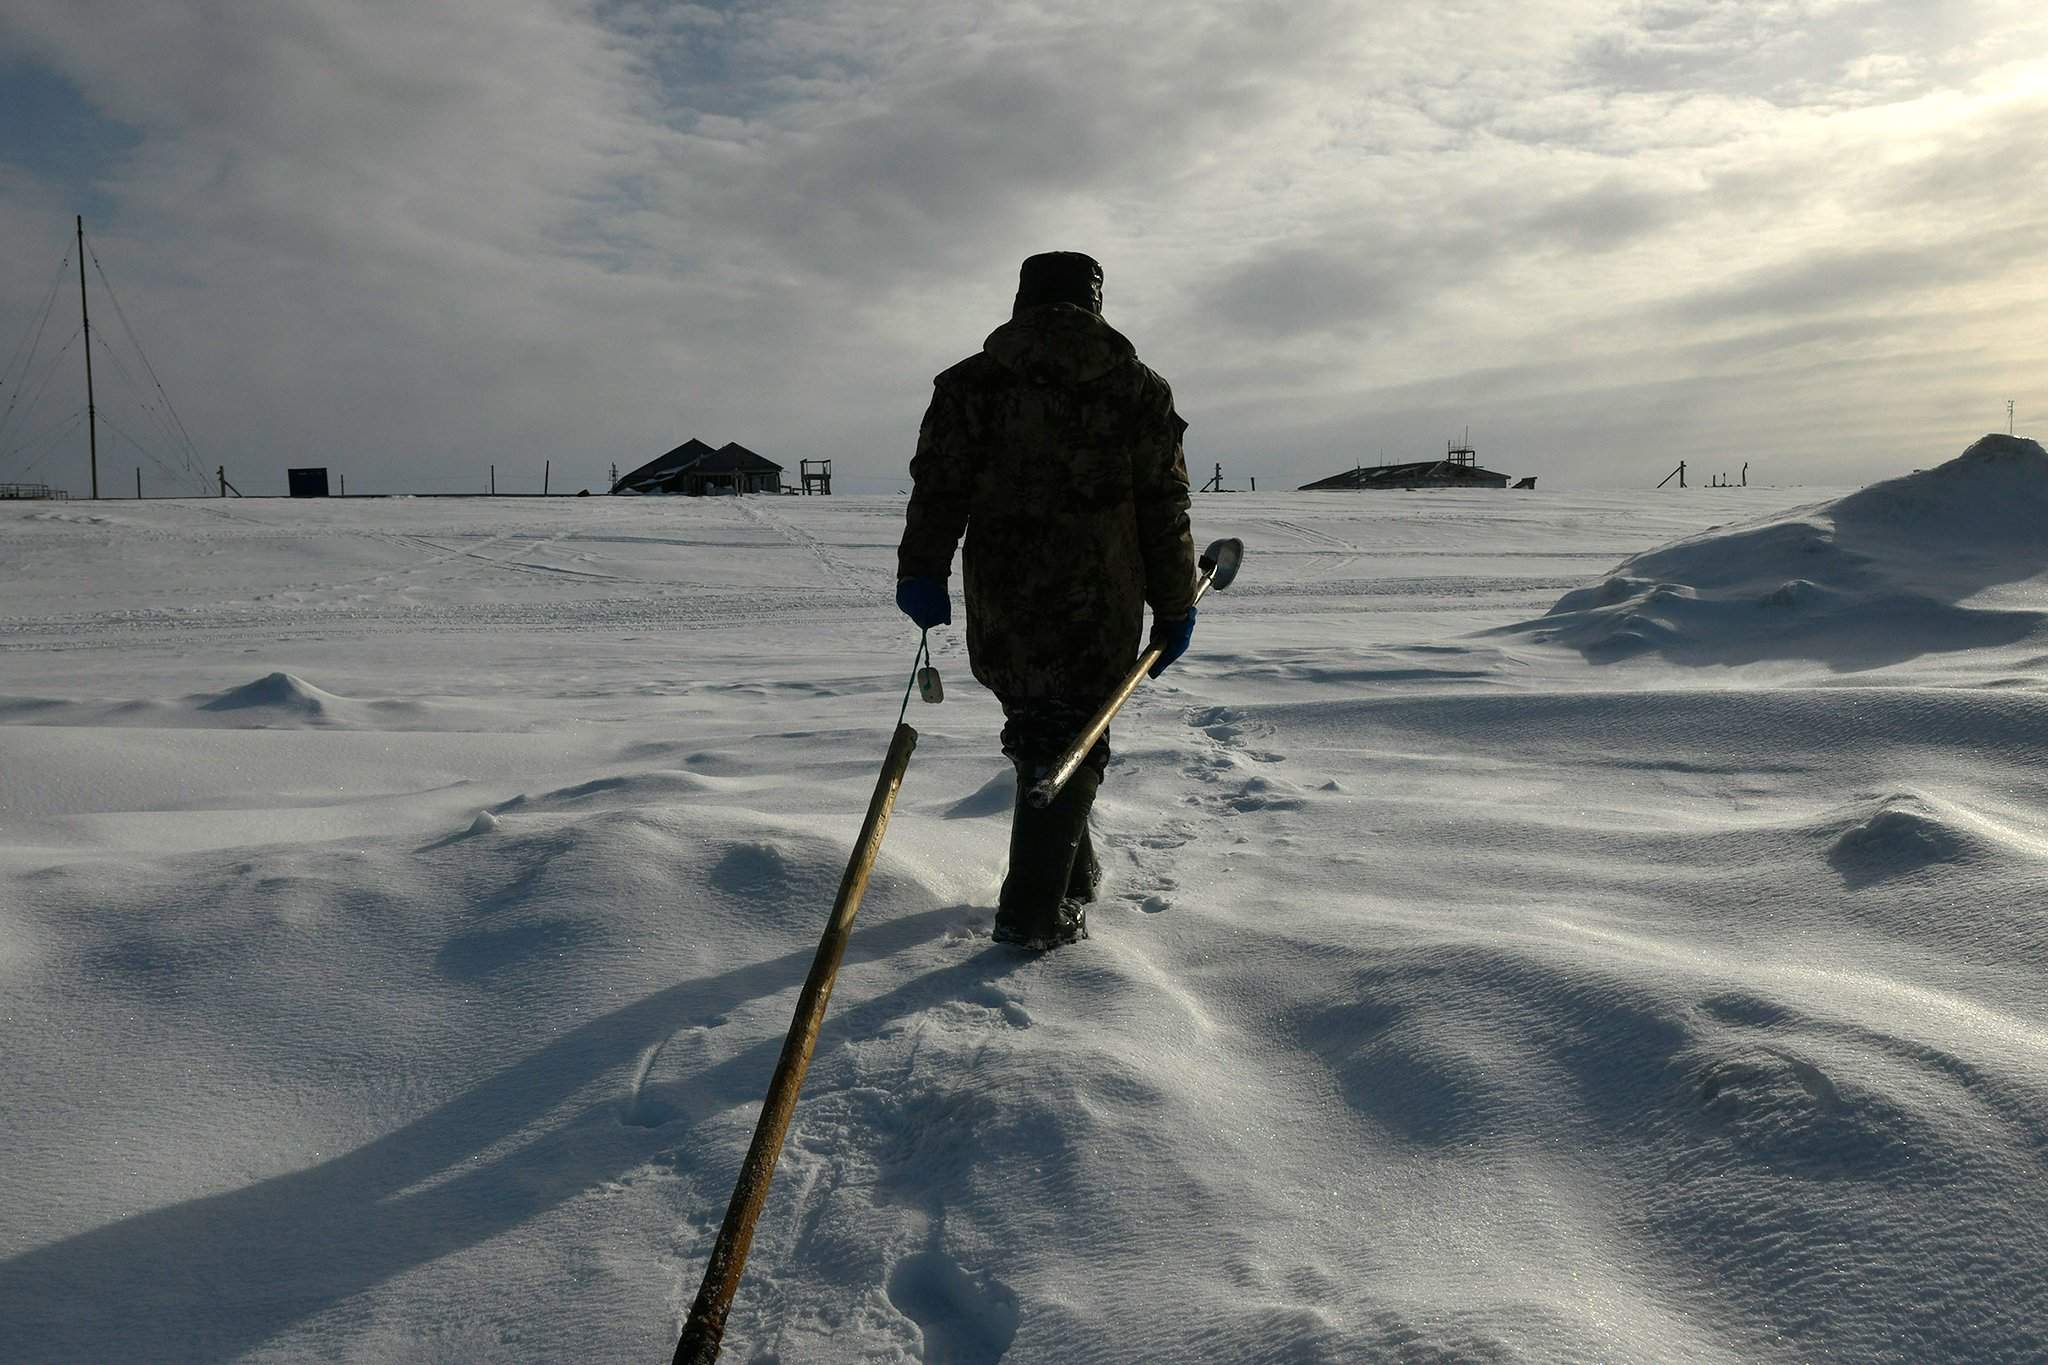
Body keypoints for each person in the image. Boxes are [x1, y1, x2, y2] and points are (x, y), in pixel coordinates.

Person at [895, 251, 1198, 949]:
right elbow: (1166, 509)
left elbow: (937, 490)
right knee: (1068, 734)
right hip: (1100, 601)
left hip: (1005, 600)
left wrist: (923, 570)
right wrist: (1175, 605)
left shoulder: (971, 385)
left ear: (1022, 301)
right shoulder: (1138, 390)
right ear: (1094, 302)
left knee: (1046, 726)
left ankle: (1070, 871)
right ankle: (1032, 913)